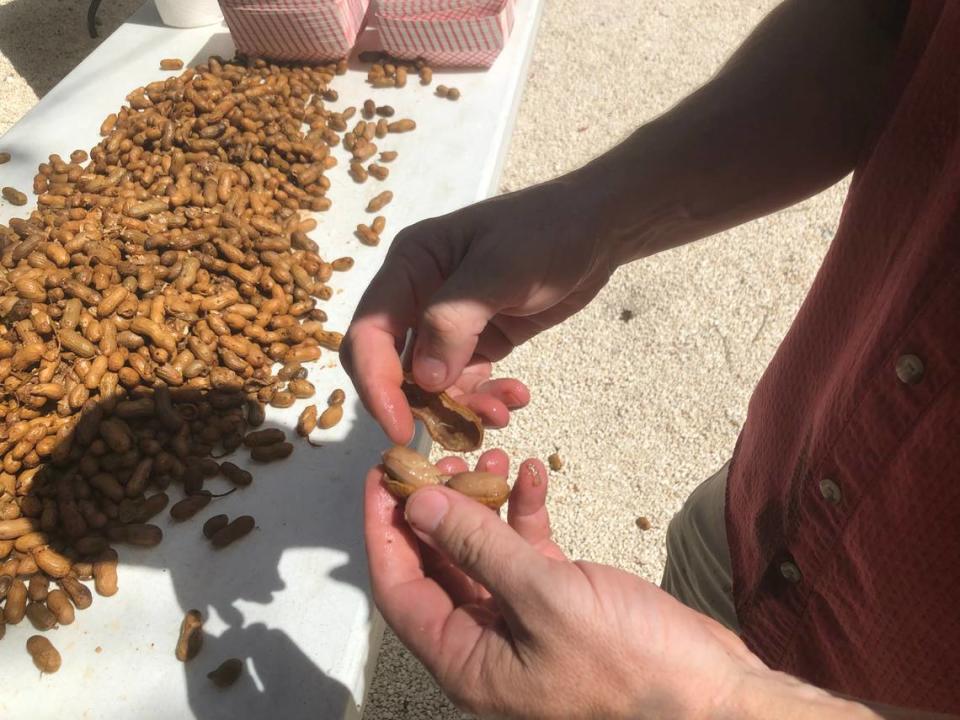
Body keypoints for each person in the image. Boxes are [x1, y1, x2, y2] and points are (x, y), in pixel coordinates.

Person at [343, 0, 960, 716]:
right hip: (769, 500)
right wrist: (596, 213)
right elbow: (885, 22)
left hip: (892, 668)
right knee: (696, 560)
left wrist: (713, 705)